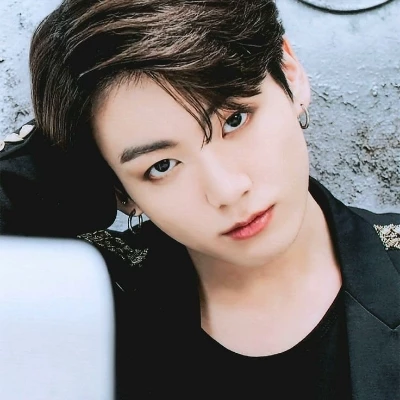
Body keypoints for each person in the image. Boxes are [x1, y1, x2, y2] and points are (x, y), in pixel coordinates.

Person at [0, 0, 399, 398]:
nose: (227, 190)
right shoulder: (92, 301)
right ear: (119, 187)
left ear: (289, 72)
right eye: (162, 166)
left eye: (235, 120)